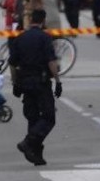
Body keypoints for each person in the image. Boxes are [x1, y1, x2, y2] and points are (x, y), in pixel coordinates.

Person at [8, 9, 61, 166]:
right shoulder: (45, 38)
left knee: (33, 117)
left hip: (25, 82)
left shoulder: (20, 38)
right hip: (41, 82)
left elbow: (12, 63)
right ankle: (29, 142)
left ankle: (35, 153)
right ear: (43, 21)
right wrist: (58, 81)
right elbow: (51, 62)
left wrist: (15, 82)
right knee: (49, 116)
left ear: (30, 20)